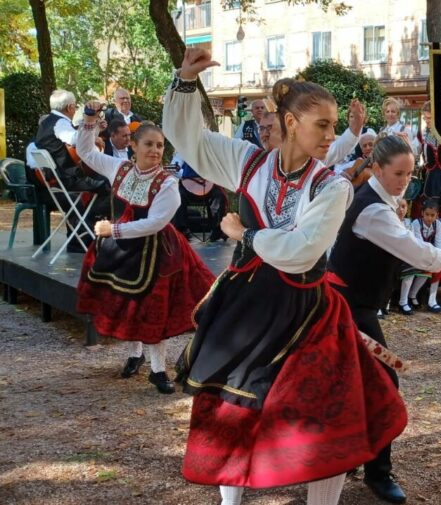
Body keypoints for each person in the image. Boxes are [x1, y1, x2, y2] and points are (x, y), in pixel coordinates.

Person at [165, 48, 407, 505]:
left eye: (335, 125)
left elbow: (301, 253)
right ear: (291, 123)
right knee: (231, 407)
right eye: (323, 124)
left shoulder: (332, 186)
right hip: (249, 303)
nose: (331, 135)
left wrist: (247, 234)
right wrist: (182, 82)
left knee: (324, 419)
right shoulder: (249, 163)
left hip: (305, 308)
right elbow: (191, 142)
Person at [329, 134, 441, 504]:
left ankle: (350, 457)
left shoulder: (383, 201)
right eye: (398, 173)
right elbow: (416, 253)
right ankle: (375, 471)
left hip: (354, 304)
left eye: (410, 174)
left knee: (357, 385)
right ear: (376, 168)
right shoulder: (373, 209)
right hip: (348, 308)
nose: (405, 180)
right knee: (382, 383)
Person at [74, 100, 215, 394]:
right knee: (129, 303)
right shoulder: (119, 168)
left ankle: (158, 370)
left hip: (157, 252)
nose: (154, 150)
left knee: (153, 309)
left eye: (160, 146)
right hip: (125, 248)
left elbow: (156, 222)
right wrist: (89, 118)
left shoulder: (167, 183)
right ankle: (135, 355)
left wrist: (112, 229)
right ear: (133, 146)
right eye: (148, 144)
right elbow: (86, 152)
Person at [32, 89, 111, 252]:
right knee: (110, 185)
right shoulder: (59, 123)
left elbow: (79, 139)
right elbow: (75, 139)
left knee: (98, 183)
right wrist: (92, 130)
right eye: (75, 106)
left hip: (55, 178)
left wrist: (94, 128)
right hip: (67, 178)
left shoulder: (45, 123)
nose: (75, 110)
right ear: (69, 107)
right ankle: (91, 229)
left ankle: (79, 236)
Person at [398, 199, 441, 314]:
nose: (429, 218)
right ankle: (403, 301)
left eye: (432, 215)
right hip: (413, 254)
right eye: (427, 215)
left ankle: (412, 295)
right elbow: (419, 244)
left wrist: (435, 257)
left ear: (437, 215)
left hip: (427, 255)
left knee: (427, 271)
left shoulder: (438, 225)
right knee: (410, 272)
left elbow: (440, 244)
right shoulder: (416, 224)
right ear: (422, 213)